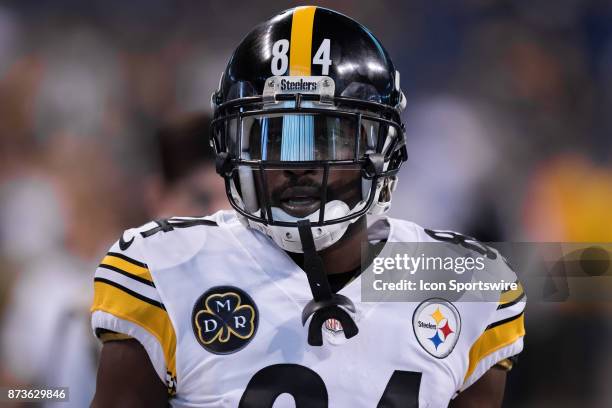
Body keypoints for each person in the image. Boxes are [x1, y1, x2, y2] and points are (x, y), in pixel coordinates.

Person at [91, 6, 525, 407]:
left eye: (326, 136)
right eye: (275, 137)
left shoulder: (463, 282)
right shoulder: (165, 270)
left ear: (381, 148)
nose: (298, 164)